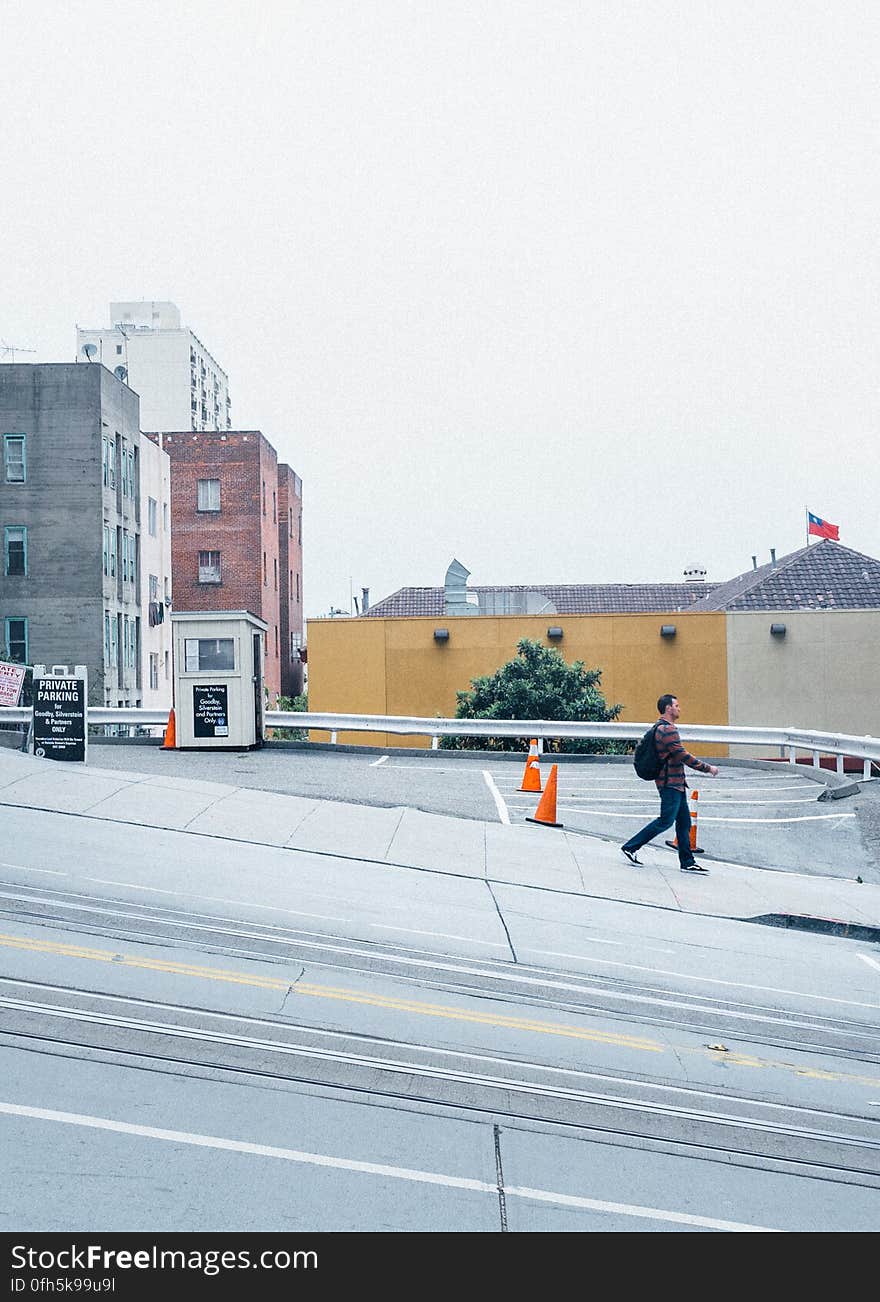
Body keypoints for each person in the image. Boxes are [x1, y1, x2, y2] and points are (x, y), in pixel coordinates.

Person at [621, 693, 719, 873]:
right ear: (668, 708)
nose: (679, 708)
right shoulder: (668, 730)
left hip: (676, 783)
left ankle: (687, 862)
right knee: (665, 821)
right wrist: (707, 768)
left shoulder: (660, 728)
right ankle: (631, 847)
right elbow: (682, 755)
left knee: (683, 823)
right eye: (677, 705)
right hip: (669, 783)